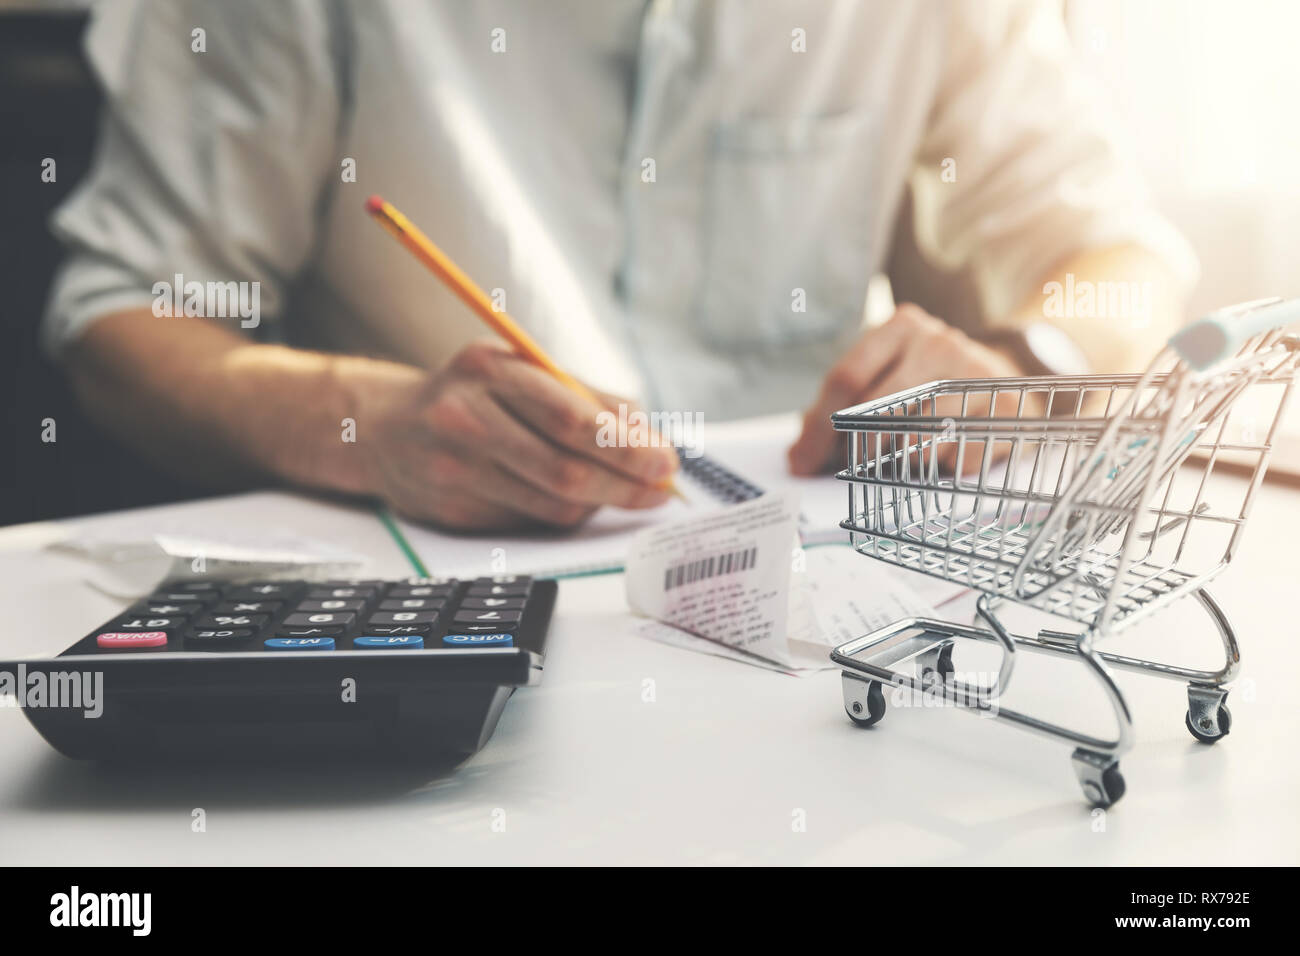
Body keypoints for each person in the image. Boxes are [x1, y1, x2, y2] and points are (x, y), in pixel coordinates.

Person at [44, 0, 1196, 531]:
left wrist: (1025, 361)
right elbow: (118, 320)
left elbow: (1119, 258)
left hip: (815, 593)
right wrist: (357, 419)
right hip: (445, 604)